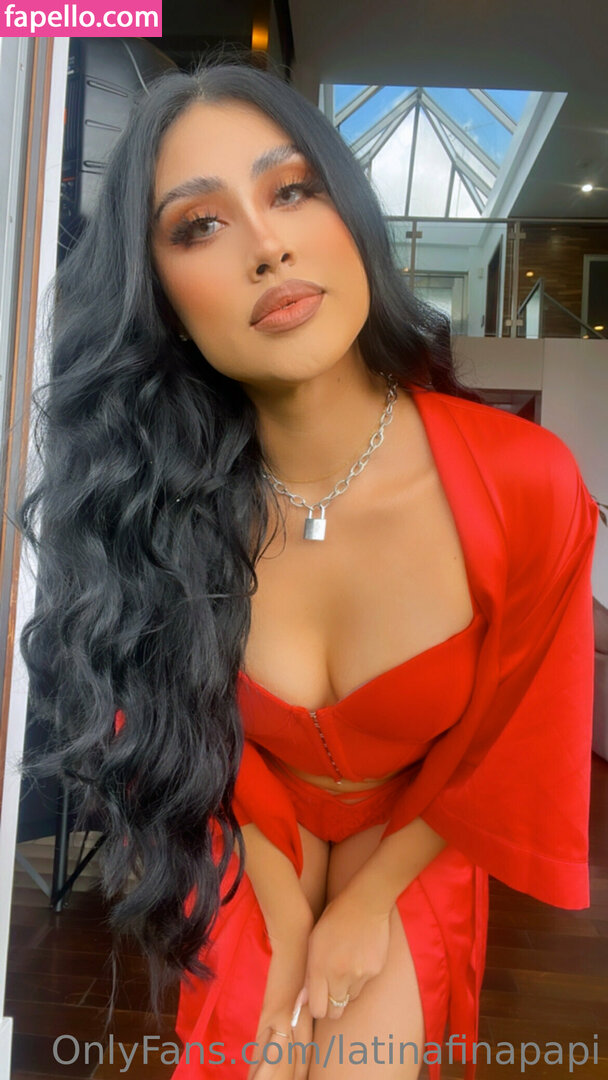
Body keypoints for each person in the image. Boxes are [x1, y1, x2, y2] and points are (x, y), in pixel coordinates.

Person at [17, 54, 599, 1080]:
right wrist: (281, 900)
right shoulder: (150, 507)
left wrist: (369, 899)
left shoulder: (524, 483)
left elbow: (510, 738)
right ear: (162, 298)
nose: (268, 245)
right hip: (245, 822)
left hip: (422, 821)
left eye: (291, 190)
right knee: (255, 1053)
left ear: (351, 218)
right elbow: (164, 723)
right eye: (200, 224)